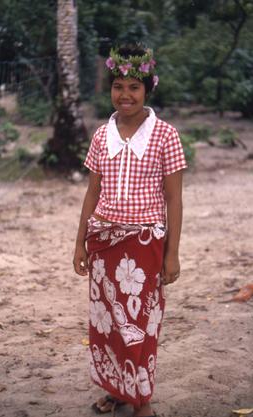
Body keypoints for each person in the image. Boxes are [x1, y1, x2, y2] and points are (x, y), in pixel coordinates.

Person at [73, 44, 187, 417]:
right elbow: (93, 192)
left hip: (144, 244)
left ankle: (142, 399)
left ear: (148, 89)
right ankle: (115, 390)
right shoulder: (101, 135)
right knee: (107, 323)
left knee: (140, 322)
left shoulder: (165, 136)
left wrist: (172, 252)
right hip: (103, 242)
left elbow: (174, 200)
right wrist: (80, 243)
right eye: (118, 85)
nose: (125, 94)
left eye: (134, 87)